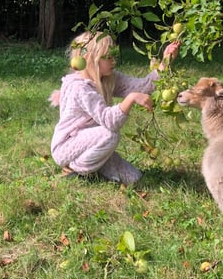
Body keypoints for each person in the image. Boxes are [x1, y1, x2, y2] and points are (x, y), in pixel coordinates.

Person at [50, 31, 180, 185]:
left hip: (92, 142)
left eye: (114, 56)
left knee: (134, 178)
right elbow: (110, 121)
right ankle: (77, 170)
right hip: (67, 146)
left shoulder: (108, 78)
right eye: (108, 57)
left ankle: (96, 169)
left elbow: (142, 86)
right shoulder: (80, 88)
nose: (114, 61)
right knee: (110, 135)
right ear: (90, 59)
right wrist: (131, 99)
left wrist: (165, 61)